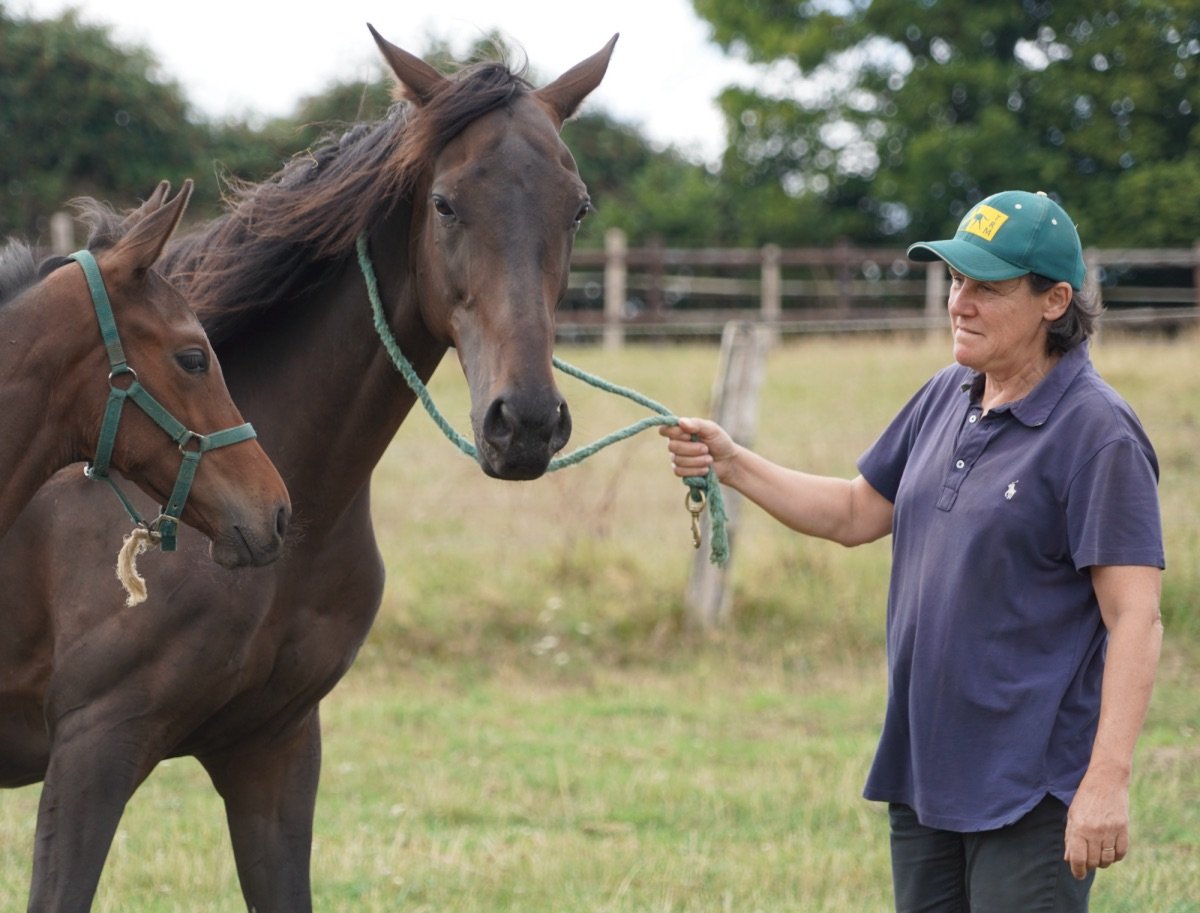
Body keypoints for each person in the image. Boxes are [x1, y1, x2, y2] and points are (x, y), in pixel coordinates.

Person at [661, 190, 1164, 912]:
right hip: (925, 772)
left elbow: (1135, 618)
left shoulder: (1098, 433)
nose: (960, 303)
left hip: (1032, 790)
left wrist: (1107, 780)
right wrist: (732, 462)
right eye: (956, 280)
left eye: (987, 287)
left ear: (1054, 301)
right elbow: (854, 511)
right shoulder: (946, 395)